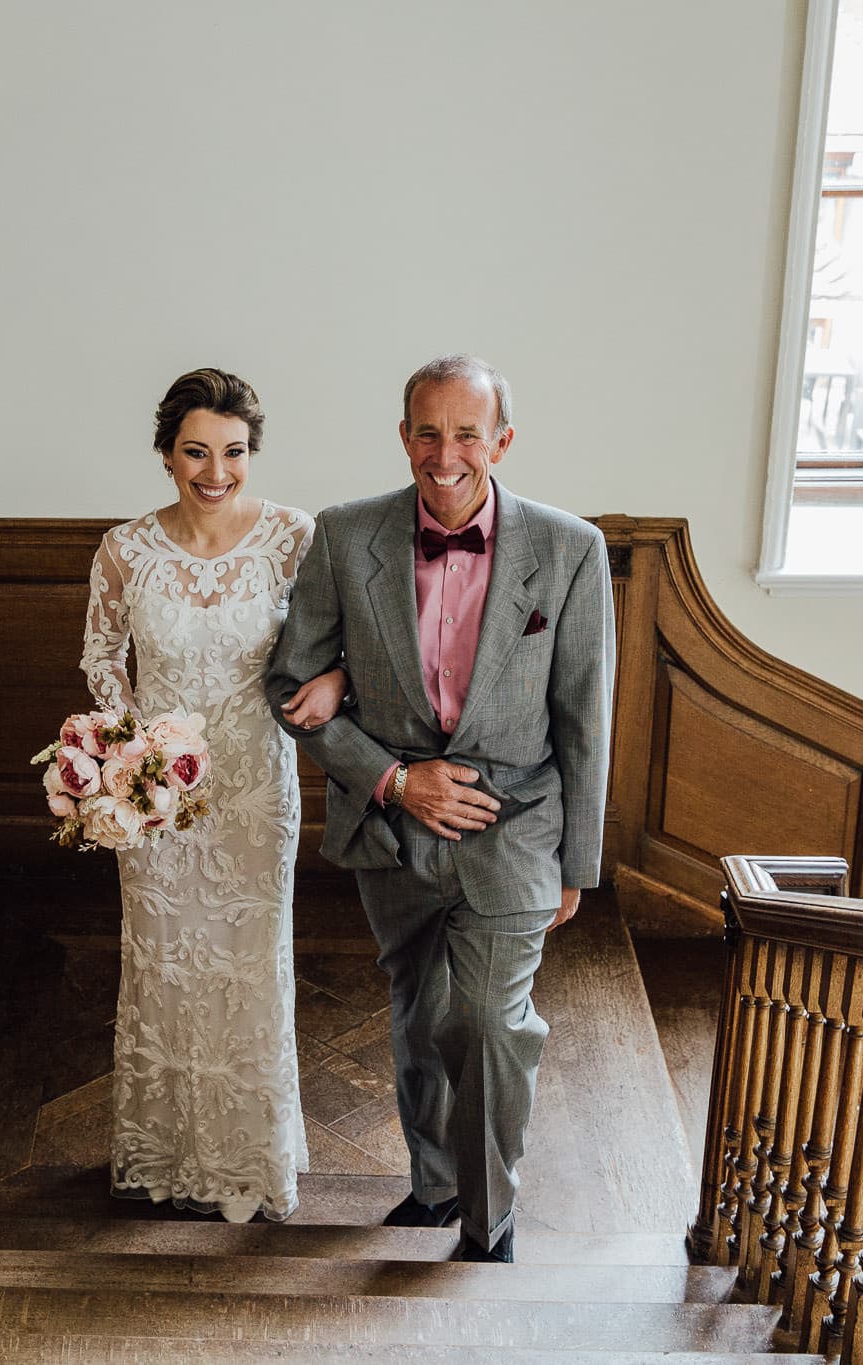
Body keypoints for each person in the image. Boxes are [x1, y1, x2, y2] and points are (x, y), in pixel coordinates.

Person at [265, 353, 616, 1262]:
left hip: (519, 827)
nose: (446, 453)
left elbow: (585, 717)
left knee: (493, 1020)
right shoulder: (345, 537)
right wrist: (390, 777)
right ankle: (434, 1184)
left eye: (467, 433)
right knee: (420, 1013)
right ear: (403, 436)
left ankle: (489, 1217)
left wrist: (578, 864)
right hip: (391, 827)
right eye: (428, 431)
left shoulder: (571, 549)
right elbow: (291, 683)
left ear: (502, 439)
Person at [81, 367, 349, 1221]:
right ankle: (165, 1152)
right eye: (196, 451)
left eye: (233, 452)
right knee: (162, 962)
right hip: (158, 797)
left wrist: (336, 682)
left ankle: (250, 1159)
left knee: (246, 964)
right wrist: (126, 754)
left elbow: (341, 644)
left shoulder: (292, 539)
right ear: (166, 454)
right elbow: (102, 660)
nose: (216, 471)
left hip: (253, 788)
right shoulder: (125, 549)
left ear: (250, 453)